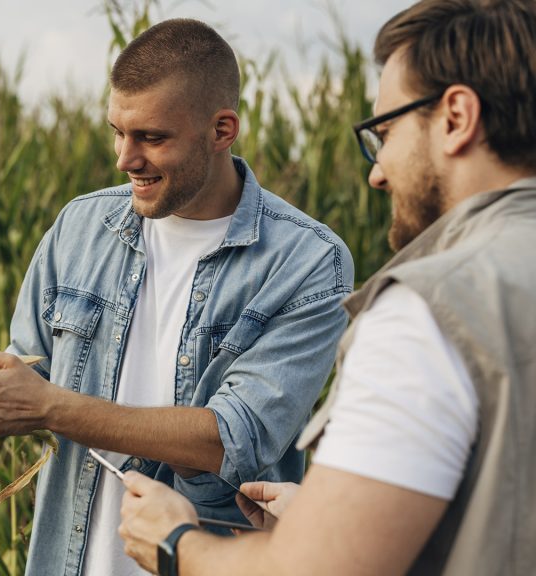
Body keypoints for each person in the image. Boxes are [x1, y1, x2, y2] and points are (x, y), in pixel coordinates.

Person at [0, 18, 353, 576]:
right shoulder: (79, 227)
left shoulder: (307, 261)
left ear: (222, 130)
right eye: (118, 132)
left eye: (151, 137)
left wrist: (48, 405)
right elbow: (30, 373)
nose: (125, 158)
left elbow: (233, 438)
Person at [117, 1, 536, 574]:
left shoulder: (430, 309)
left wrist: (177, 543)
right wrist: (331, 514)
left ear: (456, 117)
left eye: (385, 131)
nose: (377, 171)